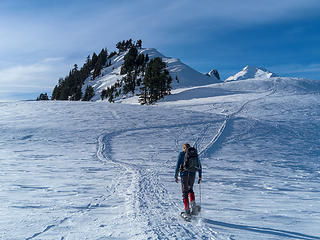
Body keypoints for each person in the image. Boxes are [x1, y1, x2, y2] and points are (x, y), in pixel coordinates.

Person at [175, 143, 202, 215]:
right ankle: (193, 207)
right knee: (191, 189)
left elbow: (178, 165)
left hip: (184, 174)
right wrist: (200, 176)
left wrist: (176, 175)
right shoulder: (194, 154)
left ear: (183, 148)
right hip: (193, 174)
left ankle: (187, 210)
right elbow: (199, 165)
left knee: (184, 192)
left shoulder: (181, 154)